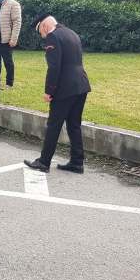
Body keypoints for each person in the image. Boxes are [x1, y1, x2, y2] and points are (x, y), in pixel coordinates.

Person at [24, 14, 91, 174]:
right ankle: (77, 162)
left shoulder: (53, 37)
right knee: (74, 125)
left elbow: (54, 67)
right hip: (81, 84)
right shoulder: (71, 33)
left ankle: (44, 162)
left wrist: (49, 91)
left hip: (65, 88)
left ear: (44, 26)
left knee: (54, 125)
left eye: (40, 31)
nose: (42, 35)